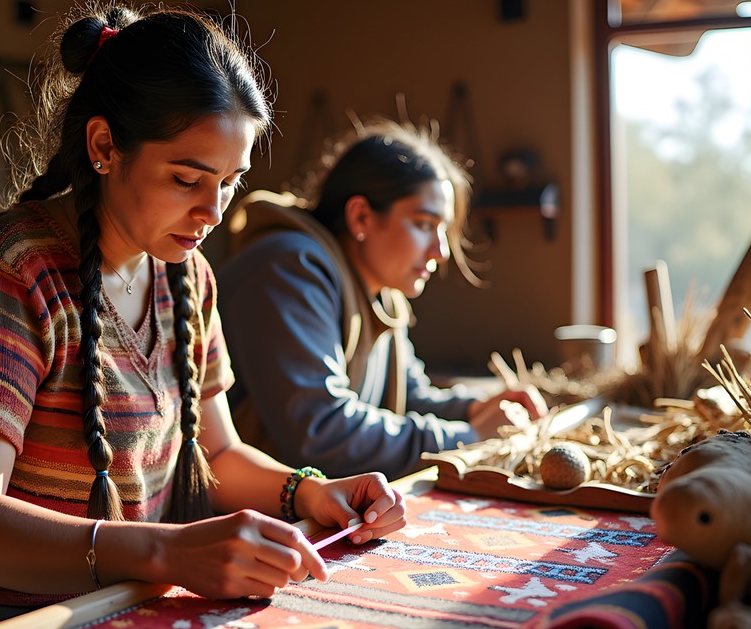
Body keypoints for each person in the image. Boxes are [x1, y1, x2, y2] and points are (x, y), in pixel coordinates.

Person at [0, 0, 405, 629]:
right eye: (187, 178)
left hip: (109, 602)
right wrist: (166, 550)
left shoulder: (187, 277)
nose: (212, 210)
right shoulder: (9, 269)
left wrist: (312, 490)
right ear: (103, 146)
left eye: (231, 182)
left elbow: (219, 457)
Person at [217, 117, 548, 480]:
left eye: (442, 230)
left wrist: (475, 408)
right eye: (424, 224)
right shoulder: (288, 267)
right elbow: (321, 433)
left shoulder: (382, 295)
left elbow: (411, 397)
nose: (440, 252)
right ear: (361, 216)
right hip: (255, 518)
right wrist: (469, 437)